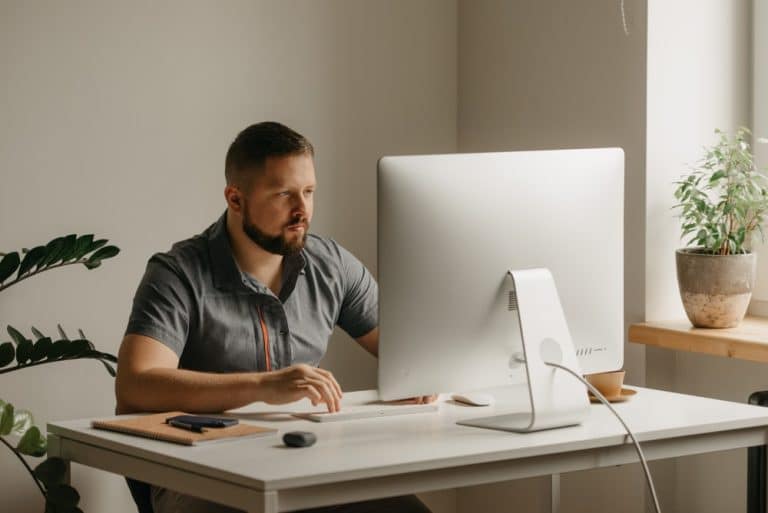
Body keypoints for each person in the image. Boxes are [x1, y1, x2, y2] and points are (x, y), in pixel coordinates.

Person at [115, 121, 433, 513]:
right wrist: (265, 386)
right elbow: (136, 384)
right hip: (198, 472)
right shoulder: (177, 273)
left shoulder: (331, 265)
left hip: (300, 464)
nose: (302, 210)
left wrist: (422, 372)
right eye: (284, 194)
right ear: (235, 199)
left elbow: (408, 349)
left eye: (309, 191)